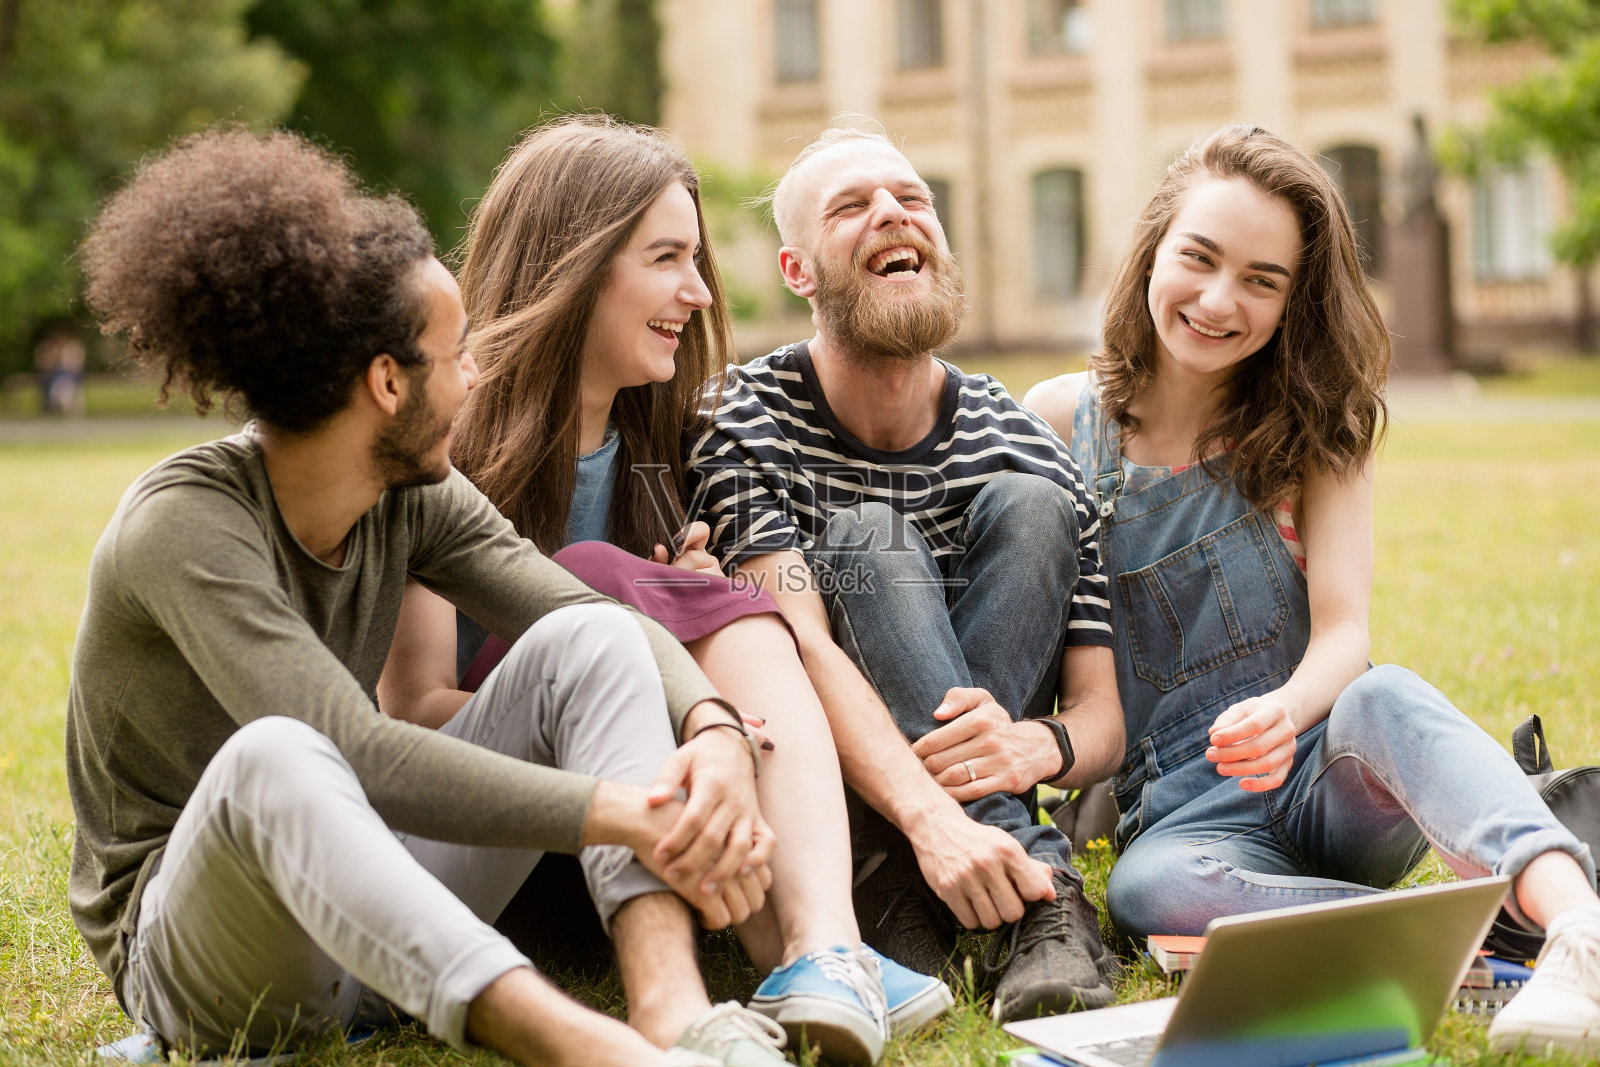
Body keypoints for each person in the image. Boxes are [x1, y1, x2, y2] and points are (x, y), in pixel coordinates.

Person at [68, 126, 795, 1067]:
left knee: (596, 643)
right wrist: (628, 810)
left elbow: (586, 617)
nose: (478, 372)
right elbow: (361, 750)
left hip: (377, 911)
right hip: (205, 956)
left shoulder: (412, 492)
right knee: (279, 756)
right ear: (386, 382)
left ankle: (673, 1013)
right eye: (457, 354)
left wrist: (714, 729)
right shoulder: (183, 524)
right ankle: (593, 1052)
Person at [378, 115, 951, 1066]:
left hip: (655, 847)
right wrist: (651, 684)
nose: (695, 292)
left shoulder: (671, 439)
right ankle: (813, 947)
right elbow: (412, 711)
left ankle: (821, 949)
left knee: (689, 597)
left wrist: (688, 617)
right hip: (499, 839)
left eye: (697, 261)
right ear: (575, 262)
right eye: (666, 258)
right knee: (603, 589)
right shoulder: (447, 441)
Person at [1025, 123, 1600, 1059]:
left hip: (1329, 773)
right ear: (1151, 254)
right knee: (1142, 889)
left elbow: (1343, 635)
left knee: (1382, 690)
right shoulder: (1060, 422)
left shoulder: (1316, 428)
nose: (1220, 300)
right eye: (1199, 259)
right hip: (1185, 821)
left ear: (1295, 300)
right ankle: (1474, 931)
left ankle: (1580, 929)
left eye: (1262, 280)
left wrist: (1283, 710)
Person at [684, 122, 1126, 1023]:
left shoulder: (1022, 439)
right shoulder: (738, 420)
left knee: (1030, 509)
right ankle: (1036, 888)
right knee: (864, 537)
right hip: (831, 795)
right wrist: (939, 814)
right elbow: (798, 652)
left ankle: (906, 892)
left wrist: (1039, 747)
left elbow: (1101, 714)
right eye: (852, 207)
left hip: (935, 786)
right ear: (797, 271)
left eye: (913, 199)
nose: (892, 212)